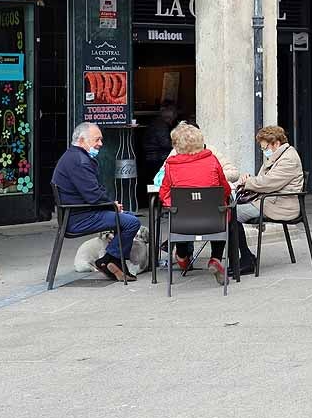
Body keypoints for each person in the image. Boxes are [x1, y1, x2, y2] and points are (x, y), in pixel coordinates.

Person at [52, 122, 140, 282]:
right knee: (131, 222)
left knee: (127, 217)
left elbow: (93, 191)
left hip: (79, 213)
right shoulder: (79, 160)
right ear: (81, 140)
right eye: (96, 140)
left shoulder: (74, 156)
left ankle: (111, 261)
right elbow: (93, 195)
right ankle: (109, 260)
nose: (100, 144)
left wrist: (112, 205)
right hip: (79, 218)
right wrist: (112, 205)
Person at [158, 122, 245, 283]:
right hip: (213, 220)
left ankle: (182, 256)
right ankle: (216, 258)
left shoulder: (171, 166)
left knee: (180, 215)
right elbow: (224, 189)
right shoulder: (212, 160)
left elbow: (164, 193)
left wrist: (173, 205)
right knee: (226, 213)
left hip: (183, 223)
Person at [231, 125, 305, 273]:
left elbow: (268, 183)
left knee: (229, 214)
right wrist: (250, 179)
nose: (264, 151)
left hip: (280, 205)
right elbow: (264, 180)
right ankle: (244, 258)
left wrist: (247, 183)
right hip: (269, 200)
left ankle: (245, 259)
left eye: (265, 147)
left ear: (276, 143)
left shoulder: (288, 158)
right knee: (228, 211)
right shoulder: (277, 155)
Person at [141, 101, 177, 176]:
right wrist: (180, 146)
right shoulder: (160, 125)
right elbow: (165, 144)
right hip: (157, 159)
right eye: (173, 111)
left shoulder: (159, 123)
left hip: (153, 157)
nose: (175, 114)